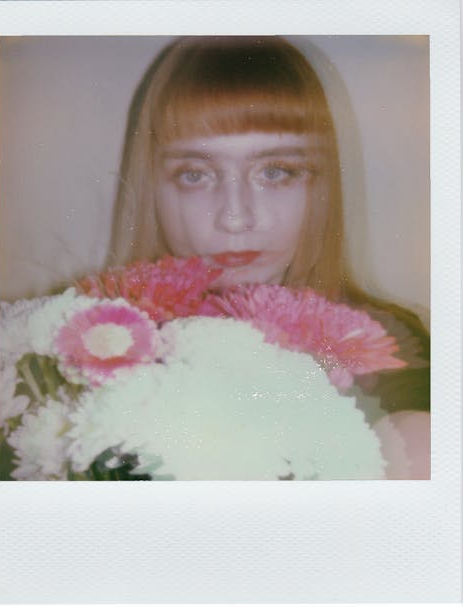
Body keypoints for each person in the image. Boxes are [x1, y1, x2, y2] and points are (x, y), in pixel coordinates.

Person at [108, 36, 430, 479]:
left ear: (322, 185)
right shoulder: (87, 347)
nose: (236, 218)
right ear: (152, 190)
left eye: (276, 172)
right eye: (195, 174)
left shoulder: (390, 346)